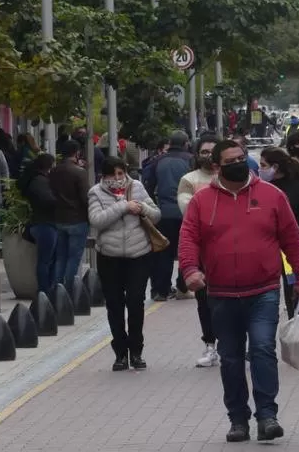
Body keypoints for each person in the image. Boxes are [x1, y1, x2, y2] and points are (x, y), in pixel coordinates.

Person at [179, 140, 299, 443]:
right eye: (231, 160)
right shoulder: (202, 201)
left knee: (263, 349)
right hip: (221, 294)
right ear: (216, 167)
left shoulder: (272, 195)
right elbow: (188, 239)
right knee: (231, 358)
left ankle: (267, 415)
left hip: (263, 290)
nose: (239, 163)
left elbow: (292, 238)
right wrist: (190, 270)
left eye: (242, 158)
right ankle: (238, 419)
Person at [88, 156, 161, 372]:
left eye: (121, 173)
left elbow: (156, 215)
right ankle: (120, 353)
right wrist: (122, 206)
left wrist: (142, 209)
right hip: (109, 256)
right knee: (115, 305)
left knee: (136, 301)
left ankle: (136, 351)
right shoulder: (96, 192)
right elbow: (96, 220)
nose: (117, 179)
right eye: (112, 174)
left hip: (139, 254)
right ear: (104, 175)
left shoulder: (136, 187)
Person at [259, 147, 299, 319]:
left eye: (263, 165)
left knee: (292, 290)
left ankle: (298, 323)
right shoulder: (262, 188)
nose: (260, 169)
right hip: (267, 247)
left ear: (275, 167)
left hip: (291, 249)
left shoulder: (298, 188)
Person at [177, 133, 220, 368]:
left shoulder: (233, 177)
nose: (208, 155)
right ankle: (210, 345)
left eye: (212, 151)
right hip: (202, 251)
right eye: (204, 151)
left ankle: (232, 343)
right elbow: (188, 210)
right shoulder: (188, 179)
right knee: (204, 300)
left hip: (229, 251)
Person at [142, 130, 194, 301]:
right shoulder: (190, 161)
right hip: (186, 212)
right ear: (186, 143)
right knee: (185, 250)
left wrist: (153, 207)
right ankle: (182, 287)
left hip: (163, 213)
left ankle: (161, 290)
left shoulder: (157, 161)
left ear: (170, 144)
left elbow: (147, 186)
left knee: (163, 252)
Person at [49, 140, 90, 287]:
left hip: (59, 218)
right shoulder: (79, 172)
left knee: (61, 257)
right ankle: (68, 290)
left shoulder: (53, 171)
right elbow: (86, 198)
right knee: (74, 258)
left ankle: (57, 289)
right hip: (77, 219)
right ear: (77, 152)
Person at [19, 154, 60, 294]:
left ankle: (47, 289)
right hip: (45, 224)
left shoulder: (38, 180)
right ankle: (44, 291)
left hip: (44, 223)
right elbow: (48, 200)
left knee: (48, 260)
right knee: (46, 260)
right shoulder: (39, 181)